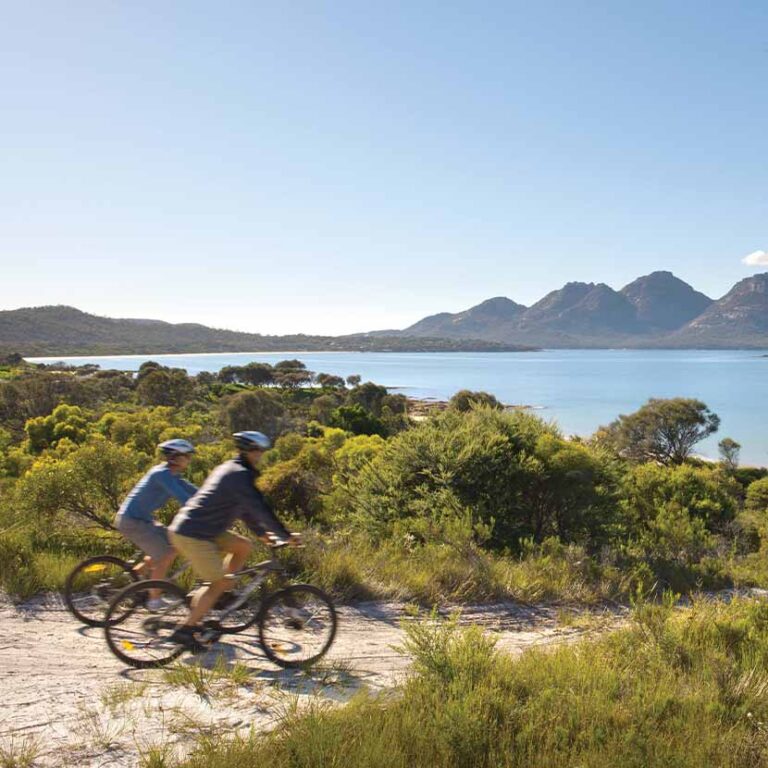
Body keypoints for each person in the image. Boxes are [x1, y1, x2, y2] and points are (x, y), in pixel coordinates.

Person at [167, 431, 299, 648]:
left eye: (262, 451)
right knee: (218, 582)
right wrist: (285, 535)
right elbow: (259, 508)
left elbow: (244, 510)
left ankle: (220, 595)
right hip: (193, 533)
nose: (260, 455)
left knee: (243, 546)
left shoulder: (230, 468)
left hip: (201, 528)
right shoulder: (239, 475)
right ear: (247, 450)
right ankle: (186, 629)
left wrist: (263, 534)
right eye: (257, 450)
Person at [114, 438, 197, 609]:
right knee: (164, 555)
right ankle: (154, 599)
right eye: (187, 455)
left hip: (142, 520)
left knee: (173, 544)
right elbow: (183, 497)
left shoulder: (173, 476)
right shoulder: (162, 474)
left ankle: (132, 581)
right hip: (132, 521)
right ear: (176, 457)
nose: (189, 459)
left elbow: (197, 493)